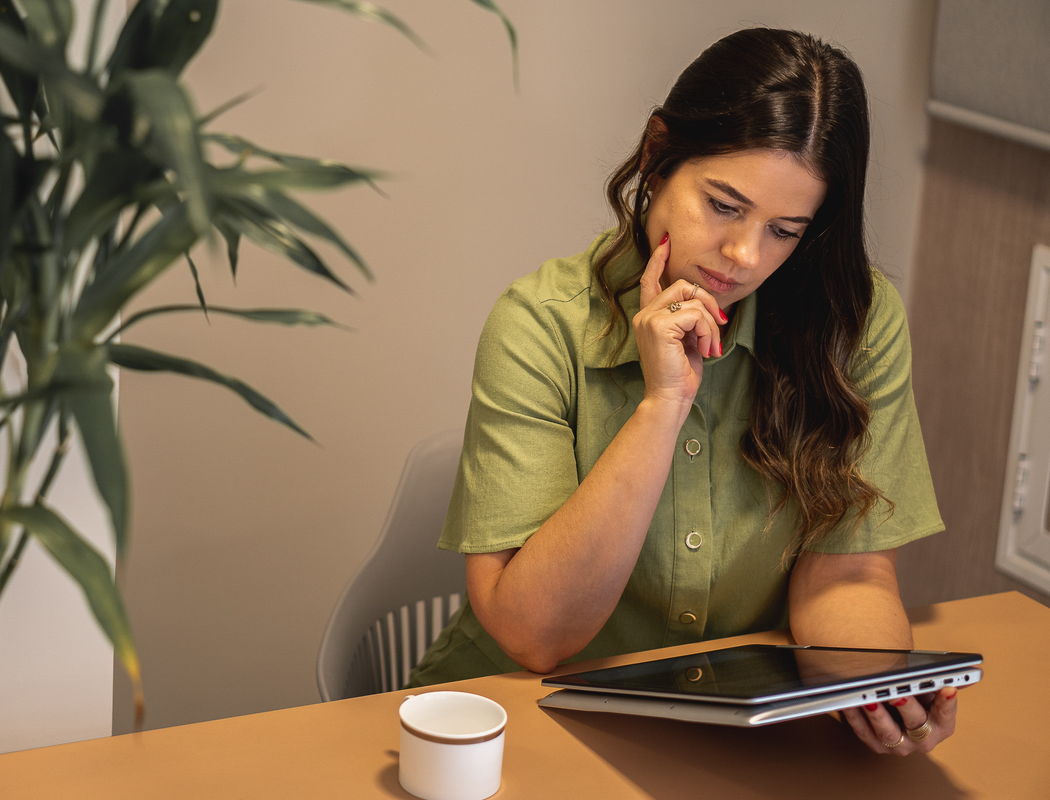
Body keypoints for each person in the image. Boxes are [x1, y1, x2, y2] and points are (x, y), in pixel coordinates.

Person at [406, 27, 955, 755]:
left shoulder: (853, 324)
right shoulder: (539, 324)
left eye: (786, 230)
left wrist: (879, 690)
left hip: (722, 735)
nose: (745, 256)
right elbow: (533, 637)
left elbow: (847, 575)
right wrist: (662, 406)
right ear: (659, 154)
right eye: (724, 206)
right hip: (514, 723)